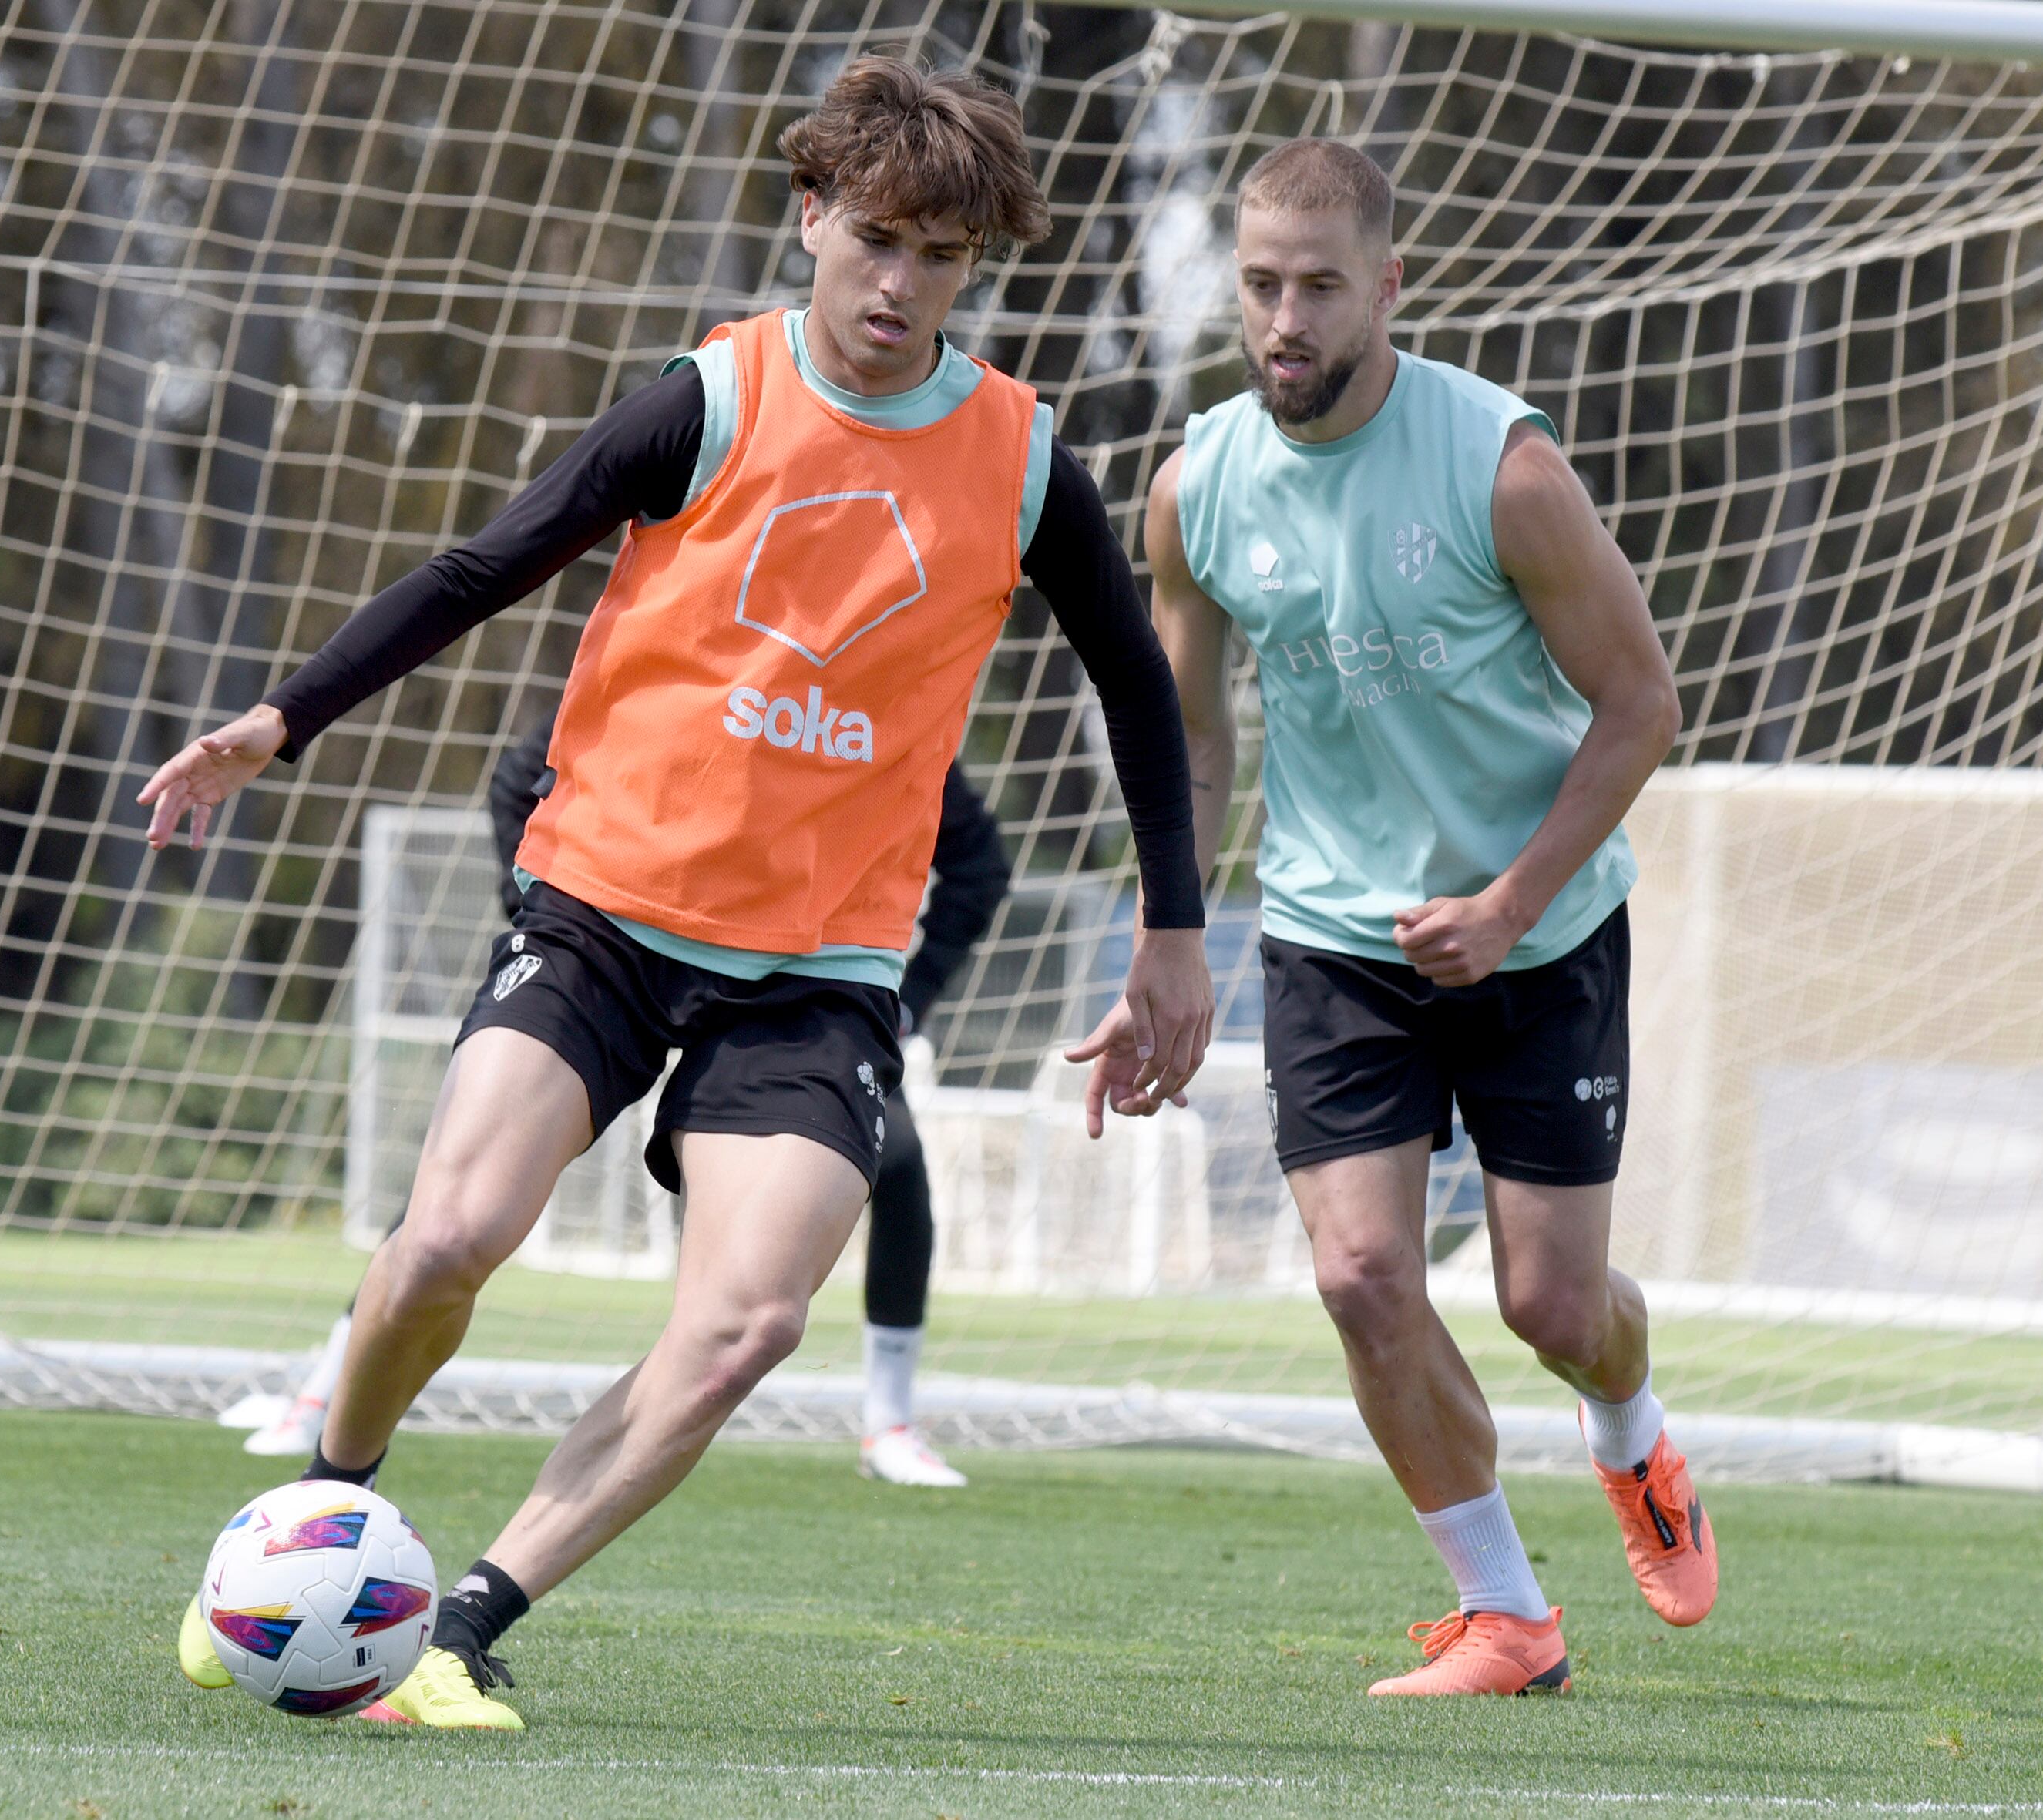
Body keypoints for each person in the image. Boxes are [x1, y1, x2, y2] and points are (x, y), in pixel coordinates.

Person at [141, 57, 1211, 1730]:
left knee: (746, 1325)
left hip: (817, 971)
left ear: (971, 264)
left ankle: (459, 1626)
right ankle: (301, 1539)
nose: (897, 283)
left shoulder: (1015, 459)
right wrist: (283, 719)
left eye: (939, 254)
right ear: (810, 219)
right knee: (447, 1237)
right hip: (598, 914)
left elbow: (1135, 684)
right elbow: (486, 562)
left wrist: (1170, 932)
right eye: (872, 237)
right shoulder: (705, 400)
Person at [1106, 137, 1699, 1697]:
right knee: (1360, 1272)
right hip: (1328, 934)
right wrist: (1169, 934)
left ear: (1387, 285)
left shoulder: (1500, 468)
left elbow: (1640, 703)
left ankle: (1631, 1433)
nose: (1282, 317)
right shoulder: (1196, 486)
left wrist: (1508, 902)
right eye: (1257, 285)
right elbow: (1194, 734)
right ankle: (1505, 1613)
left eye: (1316, 285)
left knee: (1551, 1304)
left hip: (1539, 928)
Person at [229, 714, 1013, 1489]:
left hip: (786, 1006)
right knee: (465, 1195)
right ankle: (326, 1398)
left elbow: (979, 865)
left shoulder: (881, 716)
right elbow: (522, 772)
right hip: (619, 965)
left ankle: (890, 1422)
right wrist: (545, 911)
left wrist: (907, 999)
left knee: (895, 1161)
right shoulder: (675, 680)